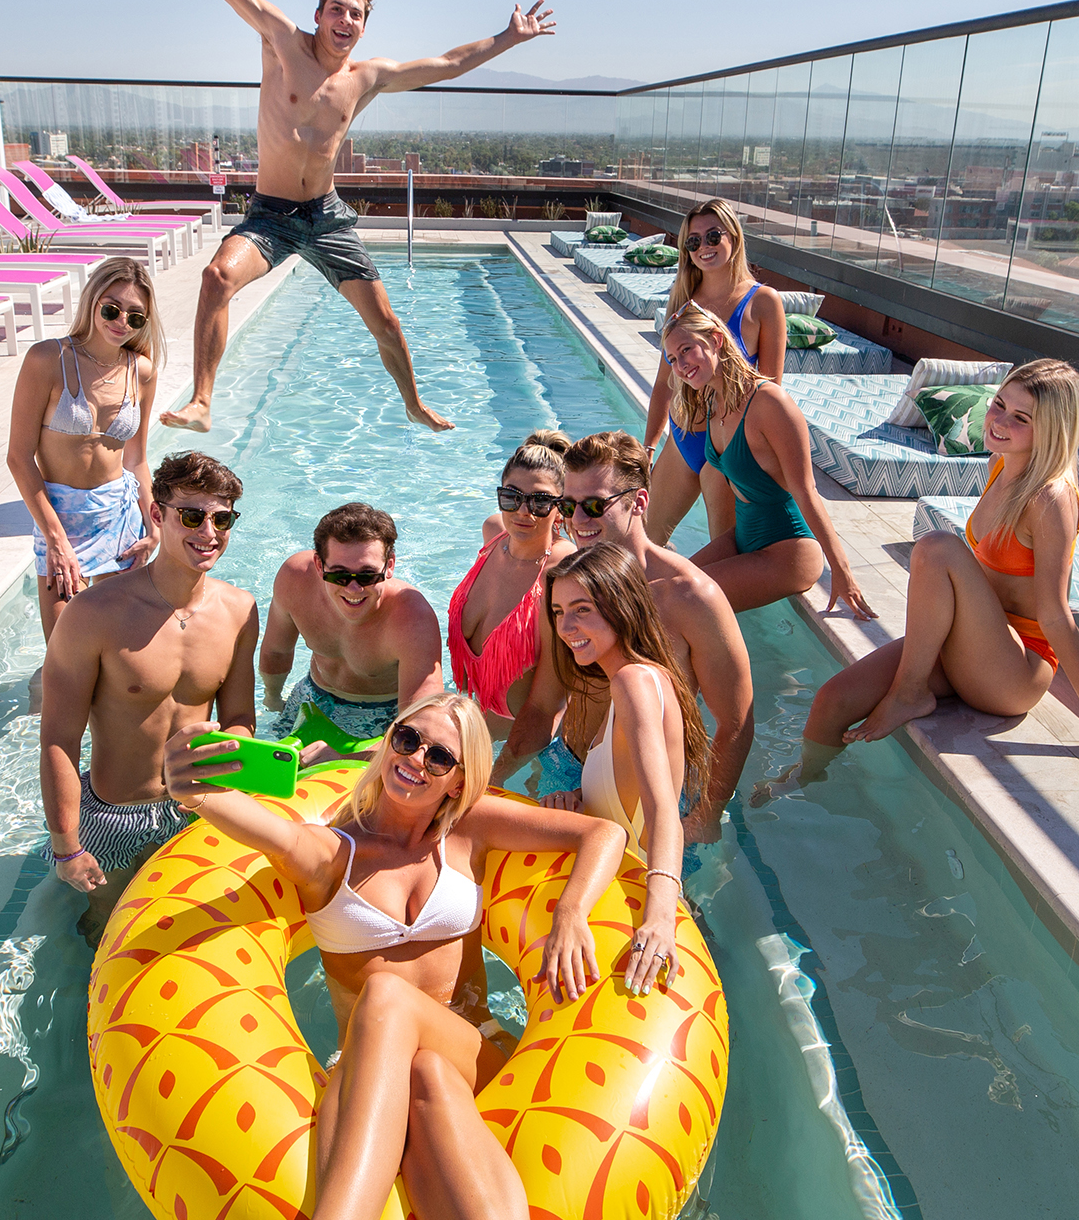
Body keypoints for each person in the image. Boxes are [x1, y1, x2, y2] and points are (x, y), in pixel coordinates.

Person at [165, 693, 633, 1220]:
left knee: (388, 996)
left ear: (458, 779)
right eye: (407, 740)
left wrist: (571, 911)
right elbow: (269, 830)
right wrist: (192, 788)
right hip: (373, 1067)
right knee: (425, 1073)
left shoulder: (469, 830)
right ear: (388, 741)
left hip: (472, 1046)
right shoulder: (331, 855)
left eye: (438, 757)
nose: (415, 760)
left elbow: (604, 834)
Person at [164, 0, 557, 435]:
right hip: (271, 215)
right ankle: (202, 402)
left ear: (363, 27)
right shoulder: (281, 40)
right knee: (217, 277)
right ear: (318, 15)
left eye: (355, 13)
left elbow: (448, 63)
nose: (345, 19)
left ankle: (414, 404)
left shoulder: (366, 76)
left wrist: (509, 37)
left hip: (327, 218)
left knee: (386, 323)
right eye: (336, 9)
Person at [803, 360, 1079, 758]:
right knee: (832, 700)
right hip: (976, 643)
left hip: (1015, 671)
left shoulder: (1050, 499)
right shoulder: (999, 464)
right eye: (999, 404)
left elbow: (1056, 615)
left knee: (938, 547)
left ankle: (909, 692)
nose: (999, 421)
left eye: (1020, 417)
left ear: (1052, 430)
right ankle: (804, 780)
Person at [496, 431, 751, 843]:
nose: (578, 521)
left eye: (595, 505)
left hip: (653, 797)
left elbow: (735, 722)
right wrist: (493, 777)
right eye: (568, 505)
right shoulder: (566, 587)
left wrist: (705, 818)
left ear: (639, 502)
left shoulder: (689, 597)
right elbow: (545, 704)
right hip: (566, 771)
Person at [40, 452, 261, 906]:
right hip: (113, 815)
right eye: (193, 516)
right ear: (157, 516)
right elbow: (58, 738)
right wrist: (67, 845)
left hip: (198, 809)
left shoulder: (240, 611)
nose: (209, 533)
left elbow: (239, 716)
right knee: (98, 941)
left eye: (223, 519)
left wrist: (224, 770)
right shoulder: (94, 613)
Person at [663, 303, 877, 619]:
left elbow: (807, 491)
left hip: (788, 552)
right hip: (743, 539)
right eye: (673, 359)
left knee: (679, 602)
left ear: (716, 340)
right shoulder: (712, 400)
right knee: (656, 589)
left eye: (686, 350)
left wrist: (842, 571)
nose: (680, 365)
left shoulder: (768, 403)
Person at [540, 544, 710, 897]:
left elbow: (663, 812)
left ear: (621, 608)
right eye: (558, 612)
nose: (566, 627)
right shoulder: (646, 678)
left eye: (582, 609)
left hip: (633, 895)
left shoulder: (632, 684)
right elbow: (629, 793)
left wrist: (661, 915)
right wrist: (577, 798)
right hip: (621, 881)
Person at [6, 257, 161, 638]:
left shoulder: (141, 370)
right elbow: (18, 458)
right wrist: (55, 540)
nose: (121, 321)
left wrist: (155, 525)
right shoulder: (47, 359)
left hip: (120, 517)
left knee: (121, 649)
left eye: (135, 317)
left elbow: (136, 458)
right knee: (64, 650)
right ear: (92, 302)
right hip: (61, 519)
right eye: (112, 308)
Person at [643, 199, 785, 543]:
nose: (703, 247)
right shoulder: (683, 303)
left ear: (733, 237)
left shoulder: (763, 303)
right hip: (683, 439)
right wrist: (647, 449)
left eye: (712, 236)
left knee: (722, 553)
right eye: (693, 242)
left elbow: (769, 392)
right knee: (643, 545)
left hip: (725, 450)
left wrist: (750, 460)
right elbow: (665, 383)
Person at [260, 501, 444, 741]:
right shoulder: (295, 579)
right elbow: (276, 651)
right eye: (339, 574)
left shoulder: (412, 620)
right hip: (311, 696)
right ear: (319, 565)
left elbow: (423, 724)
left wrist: (349, 756)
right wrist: (273, 701)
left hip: (384, 719)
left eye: (367, 575)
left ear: (389, 566)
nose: (354, 588)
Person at [449, 430, 575, 734]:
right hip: (468, 723)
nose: (522, 512)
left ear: (561, 506)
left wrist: (493, 773)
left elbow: (550, 707)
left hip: (522, 746)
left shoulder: (564, 571)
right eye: (512, 497)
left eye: (540, 501)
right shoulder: (493, 535)